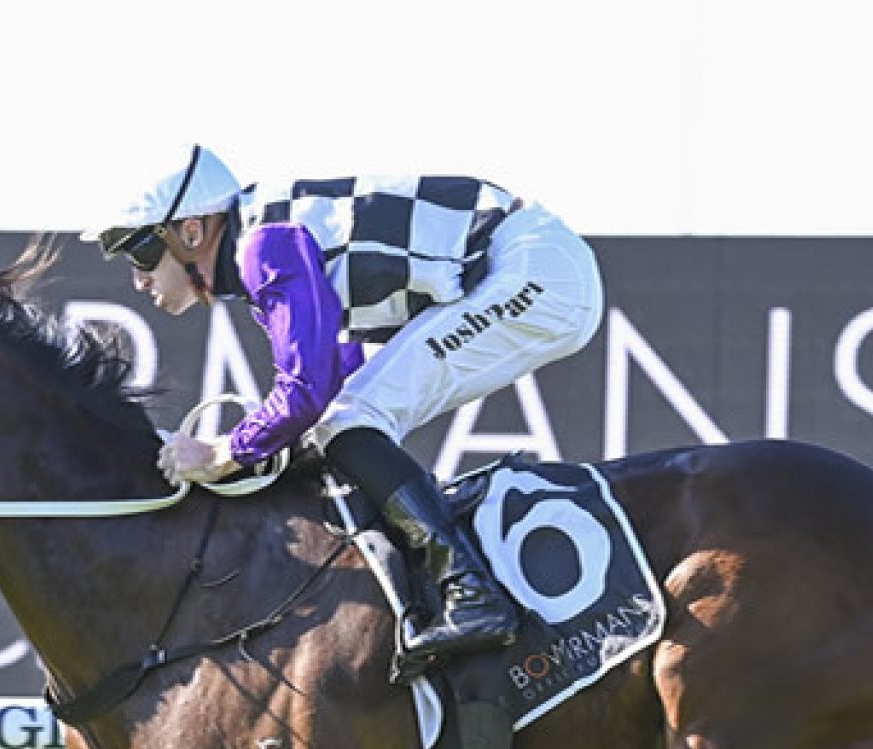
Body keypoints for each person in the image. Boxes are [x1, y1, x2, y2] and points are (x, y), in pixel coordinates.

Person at [81, 144, 605, 678]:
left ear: (192, 231)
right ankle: (448, 578)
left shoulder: (265, 246)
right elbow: (330, 378)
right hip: (530, 265)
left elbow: (307, 391)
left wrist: (222, 452)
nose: (138, 279)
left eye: (141, 254)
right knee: (348, 417)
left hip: (531, 271)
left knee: (352, 420)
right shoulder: (265, 238)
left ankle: (470, 591)